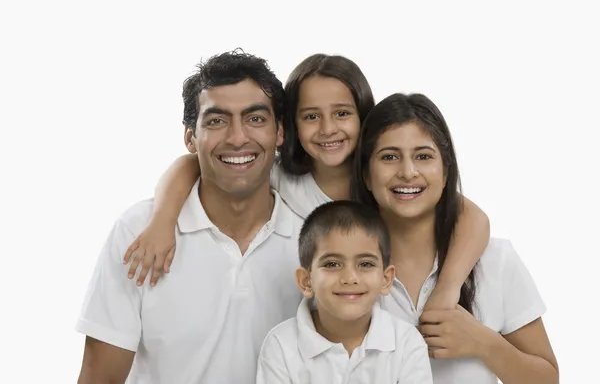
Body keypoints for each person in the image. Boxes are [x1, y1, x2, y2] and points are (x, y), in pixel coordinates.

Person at [123, 53, 491, 314]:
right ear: (288, 127)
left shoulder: (386, 182)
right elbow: (192, 165)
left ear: (365, 117)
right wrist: (162, 220)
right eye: (311, 116)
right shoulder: (277, 175)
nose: (328, 129)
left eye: (343, 114)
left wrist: (446, 291)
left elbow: (470, 217)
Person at [76, 50, 304, 383]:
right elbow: (101, 379)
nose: (238, 137)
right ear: (190, 138)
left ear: (279, 133)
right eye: (216, 120)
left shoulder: (312, 244)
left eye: (255, 119)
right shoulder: (137, 233)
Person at [351, 93, 559, 383]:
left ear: (446, 172)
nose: (408, 172)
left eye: (423, 156)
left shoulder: (496, 261)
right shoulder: (343, 273)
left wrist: (484, 343)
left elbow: (548, 379)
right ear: (366, 175)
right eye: (389, 157)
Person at [256, 200, 433, 383]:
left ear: (386, 279)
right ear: (306, 281)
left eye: (365, 264)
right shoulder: (280, 345)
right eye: (332, 264)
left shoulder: (406, 343)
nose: (350, 278)